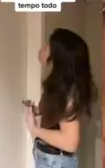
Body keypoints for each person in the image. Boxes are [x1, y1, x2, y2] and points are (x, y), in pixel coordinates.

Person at [24, 28, 98, 168]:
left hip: (55, 162)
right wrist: (41, 114)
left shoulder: (68, 91)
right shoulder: (60, 85)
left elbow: (70, 142)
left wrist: (34, 130)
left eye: (48, 45)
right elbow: (60, 120)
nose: (43, 48)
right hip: (51, 160)